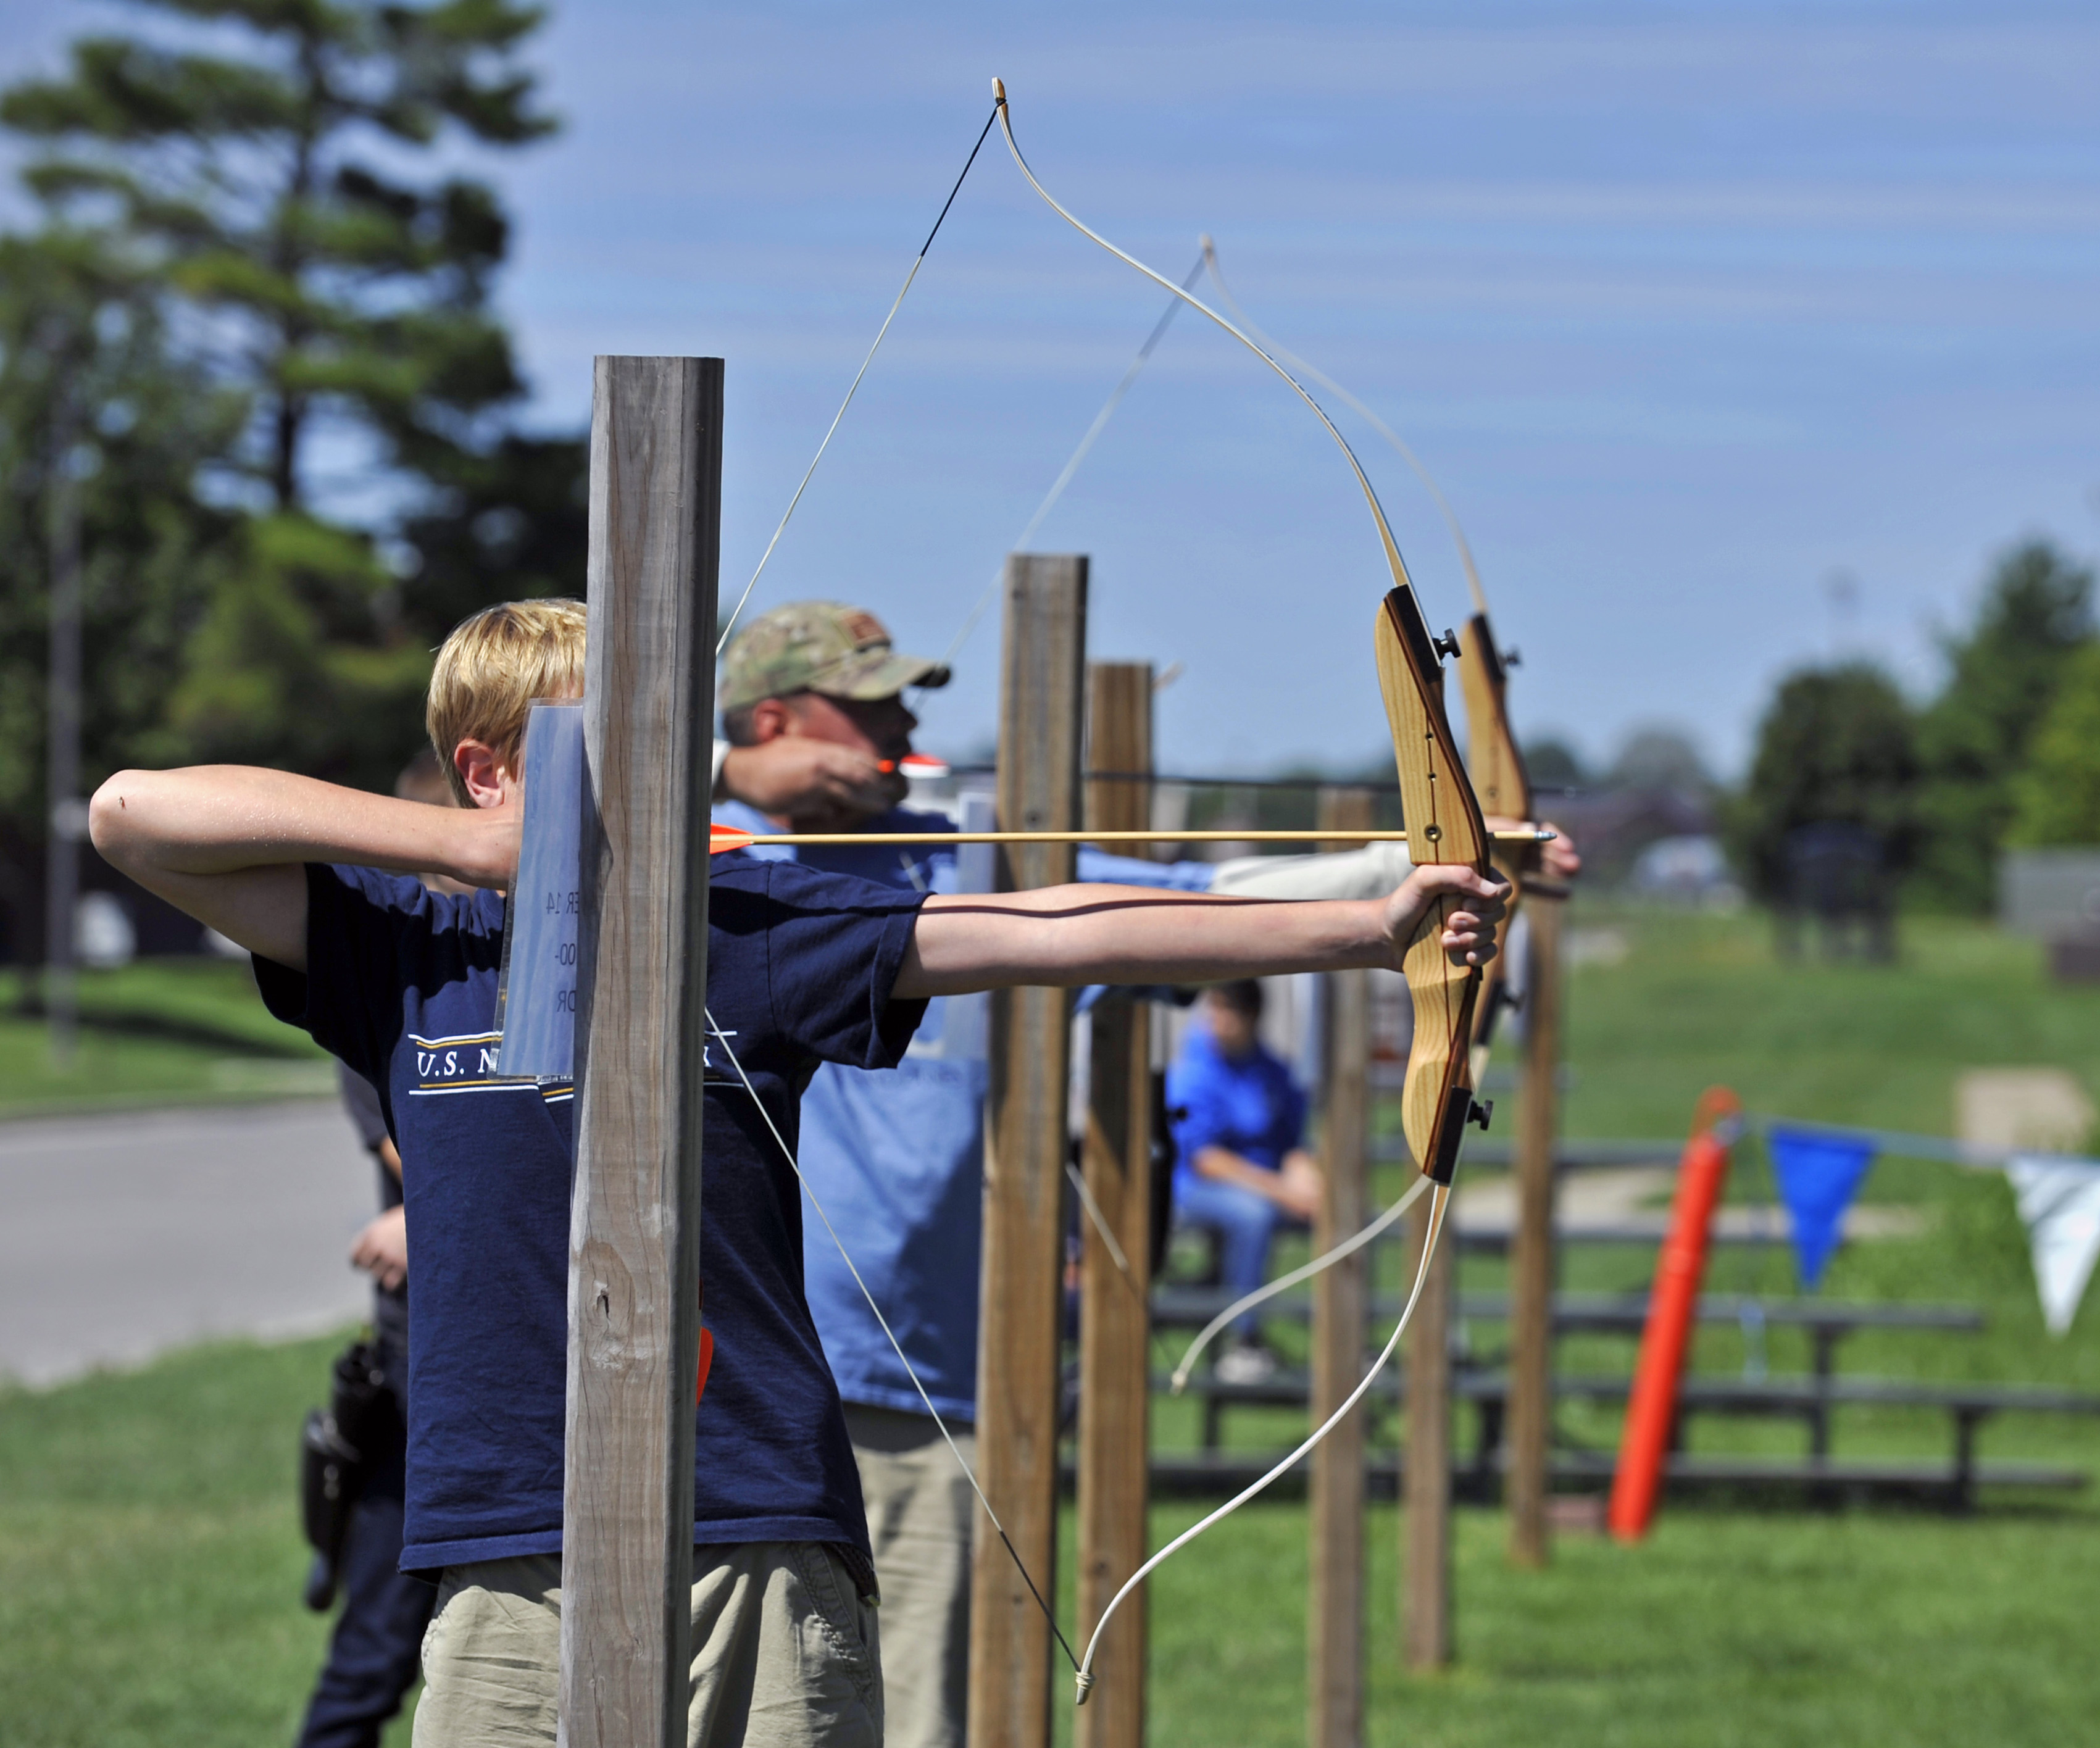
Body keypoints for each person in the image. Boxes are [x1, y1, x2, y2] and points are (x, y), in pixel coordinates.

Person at [89, 596, 1508, 1748]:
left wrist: (1367, 930)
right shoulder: (403, 944)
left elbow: (1051, 928)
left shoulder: (745, 921)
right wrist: (469, 850)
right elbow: (134, 811)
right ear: (487, 768)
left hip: (753, 1511)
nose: (644, 783)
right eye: (600, 750)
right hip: (510, 1528)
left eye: (657, 746)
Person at [708, 599, 1580, 1746]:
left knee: (903, 1711)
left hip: (927, 1377)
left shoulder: (960, 848)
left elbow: (1183, 910)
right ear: (776, 715)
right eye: (868, 703)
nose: (900, 723)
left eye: (903, 701)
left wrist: (1403, 868)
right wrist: (730, 767)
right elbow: (531, 809)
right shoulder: (692, 852)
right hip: (733, 1385)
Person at [293, 749, 459, 1748]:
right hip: (420, 1365)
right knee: (379, 1647)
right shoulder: (392, 978)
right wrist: (428, 1209)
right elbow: (437, 1143)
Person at [1166, 979, 1321, 1384]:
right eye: (1212, 1008)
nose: (1216, 1019)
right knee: (1254, 1216)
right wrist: (1281, 1189)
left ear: (1251, 1017)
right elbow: (1204, 1159)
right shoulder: (1193, 1069)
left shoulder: (1270, 1070)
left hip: (1267, 1185)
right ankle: (1244, 1341)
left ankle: (1347, 1338)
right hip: (1197, 1189)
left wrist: (1306, 1176)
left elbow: (1292, 1139)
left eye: (1226, 1010)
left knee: (1344, 1209)